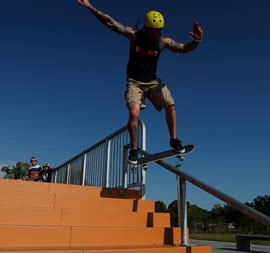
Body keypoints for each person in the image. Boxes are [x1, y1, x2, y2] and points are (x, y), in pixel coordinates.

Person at [77, 0, 204, 164]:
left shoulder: (162, 42)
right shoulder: (134, 36)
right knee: (134, 113)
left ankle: (173, 139)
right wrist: (91, 7)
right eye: (152, 31)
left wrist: (196, 41)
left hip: (152, 82)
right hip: (134, 83)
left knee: (170, 104)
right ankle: (134, 149)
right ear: (146, 27)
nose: (154, 34)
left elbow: (183, 48)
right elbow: (111, 23)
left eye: (158, 31)